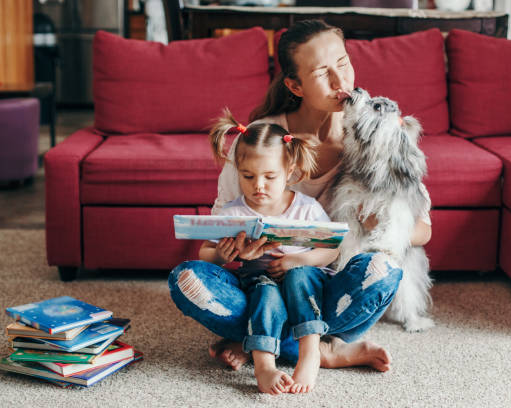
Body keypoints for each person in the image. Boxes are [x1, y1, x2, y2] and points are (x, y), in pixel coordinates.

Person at [168, 18, 432, 387]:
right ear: (294, 84)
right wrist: (233, 250)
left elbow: (422, 229)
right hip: (260, 284)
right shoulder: (260, 144)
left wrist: (377, 227)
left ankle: (262, 342)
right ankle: (323, 349)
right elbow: (217, 234)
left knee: (383, 271)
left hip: (325, 287)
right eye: (323, 73)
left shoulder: (377, 136)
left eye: (343, 63)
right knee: (188, 280)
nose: (341, 83)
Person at [199, 108, 338, 394]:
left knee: (301, 276)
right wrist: (223, 256)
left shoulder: (305, 208)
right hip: (258, 280)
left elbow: (330, 251)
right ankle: (264, 366)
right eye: (248, 176)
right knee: (264, 292)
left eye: (269, 177)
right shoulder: (233, 211)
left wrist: (296, 259)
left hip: (303, 283)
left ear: (289, 172)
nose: (258, 186)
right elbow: (205, 252)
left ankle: (310, 352)